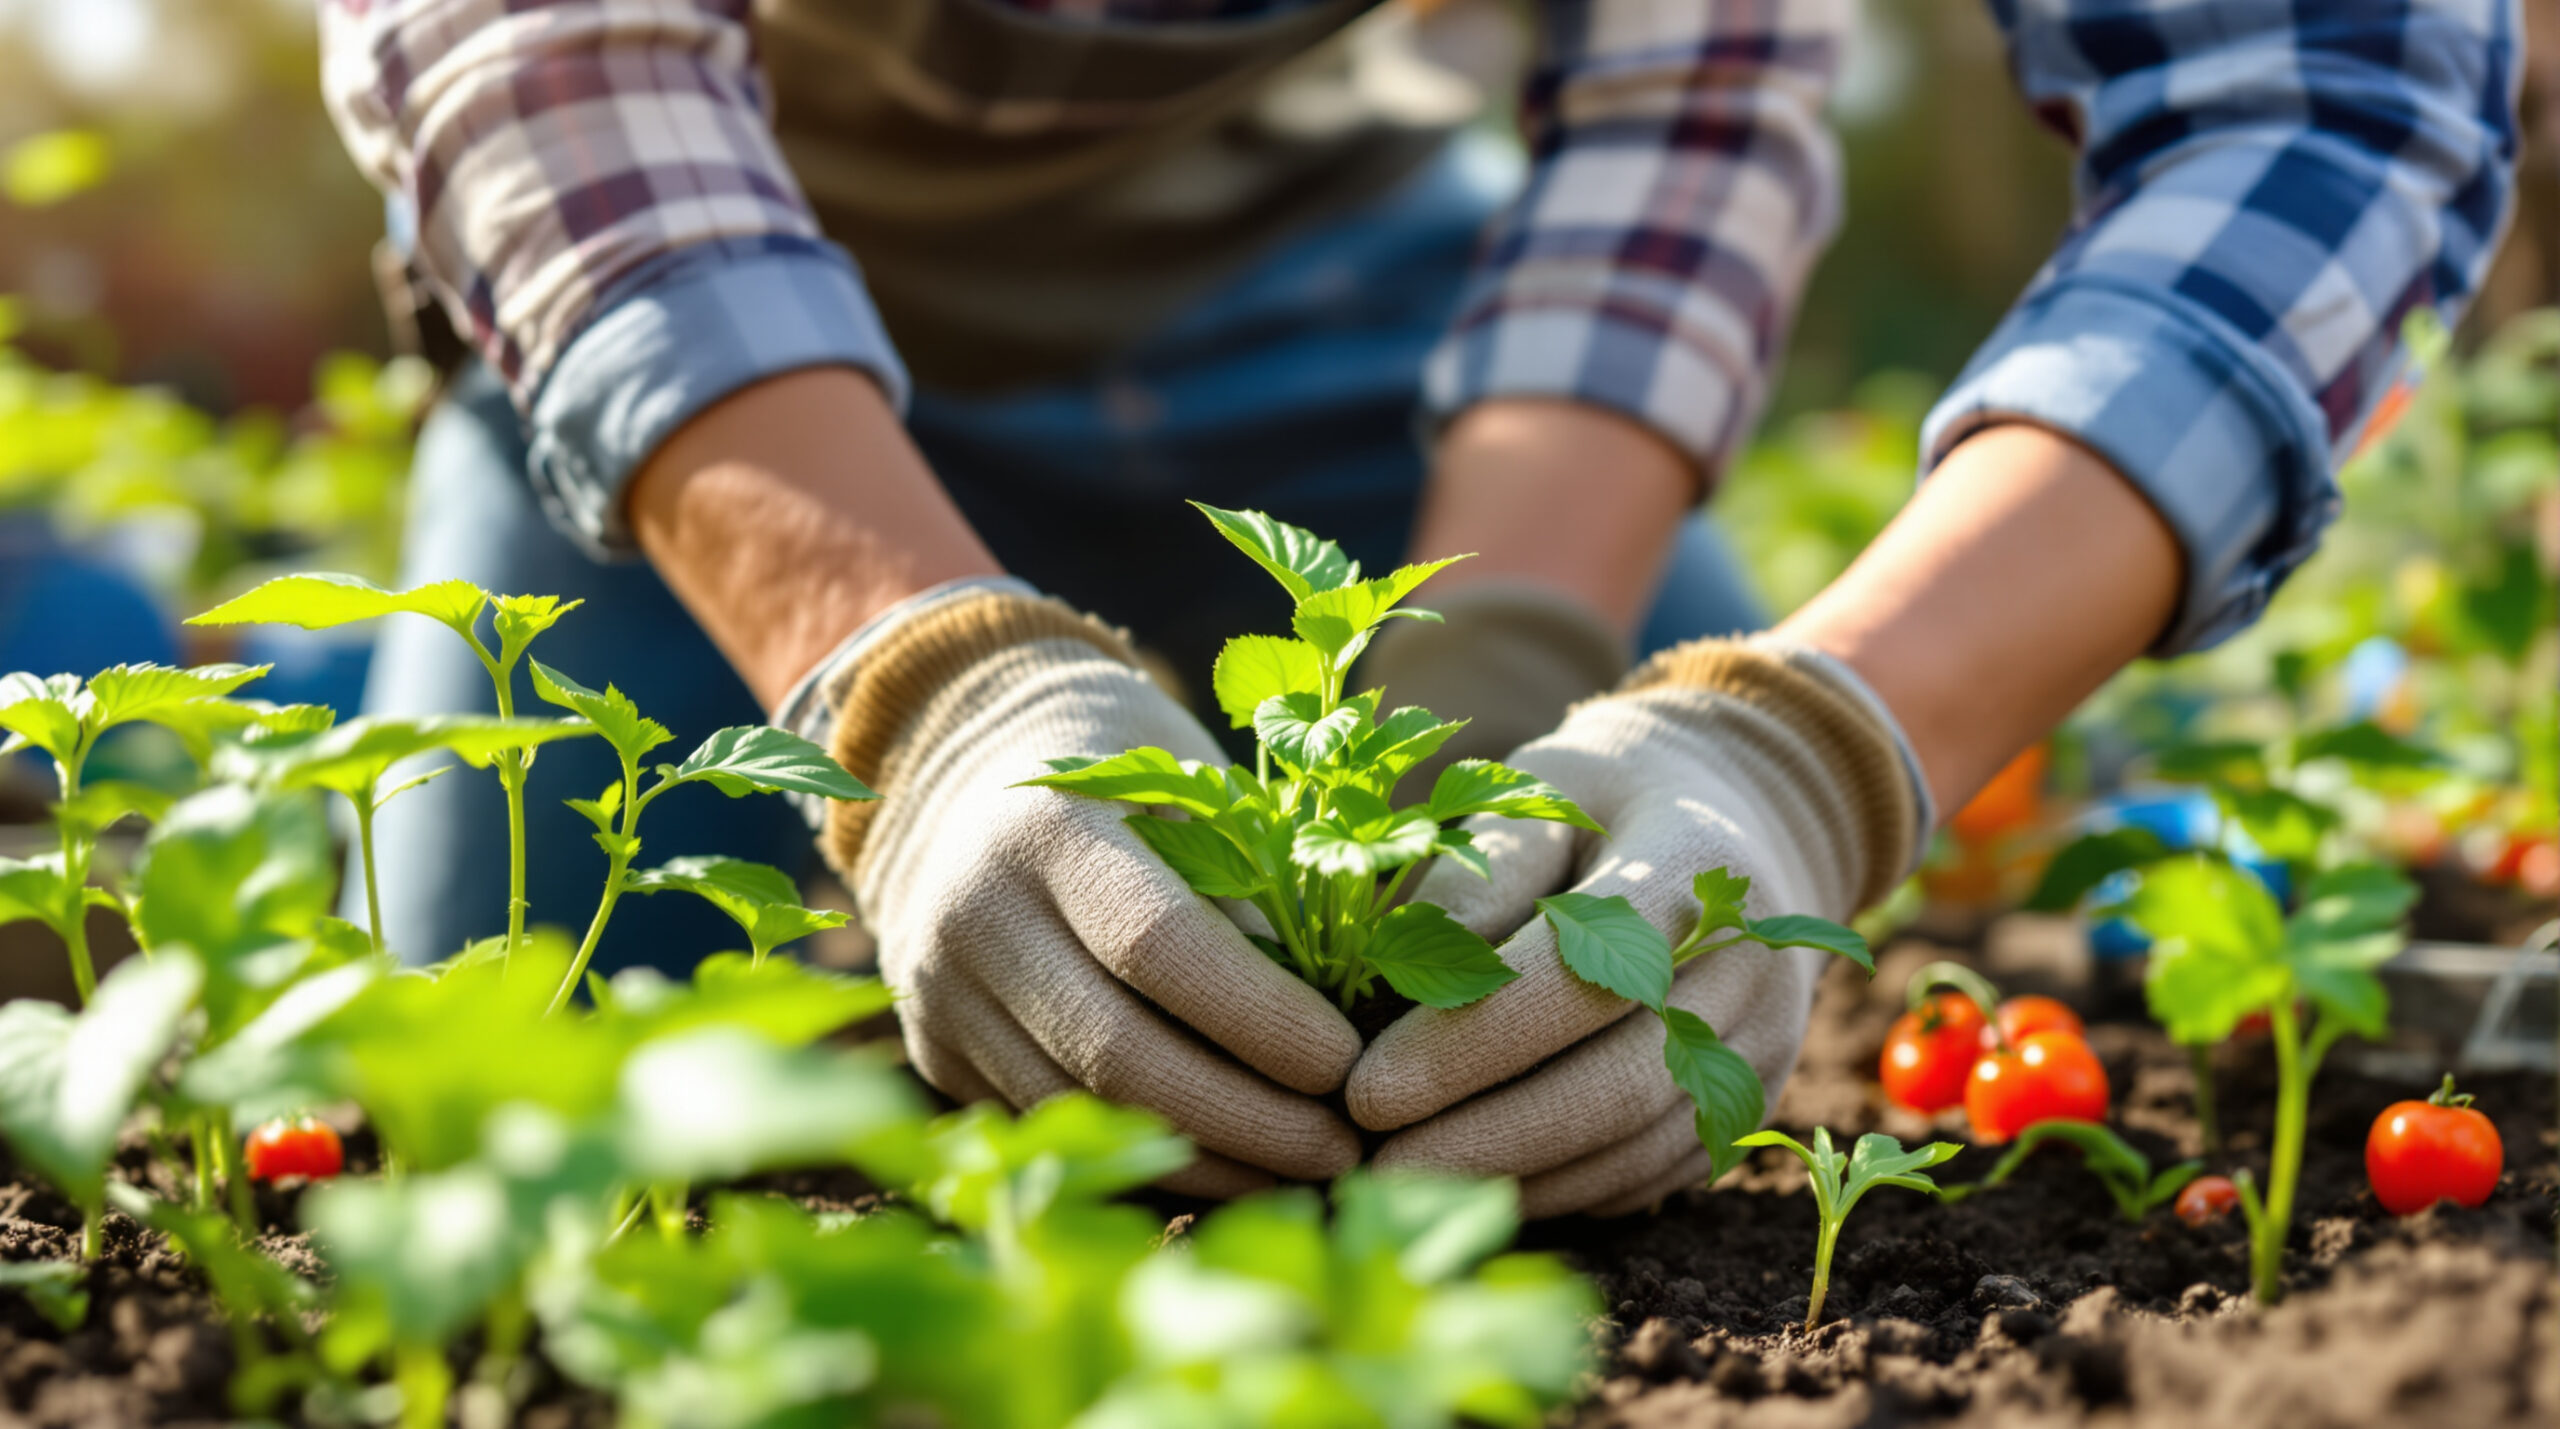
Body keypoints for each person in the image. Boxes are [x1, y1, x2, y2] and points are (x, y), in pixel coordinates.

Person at [320, 0, 2521, 1215]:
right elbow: (530, 47)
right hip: (726, 317)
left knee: (1615, 906)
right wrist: (912, 689)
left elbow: (2311, 90)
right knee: (525, 1035)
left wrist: (1782, 731)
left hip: (1367, 299)